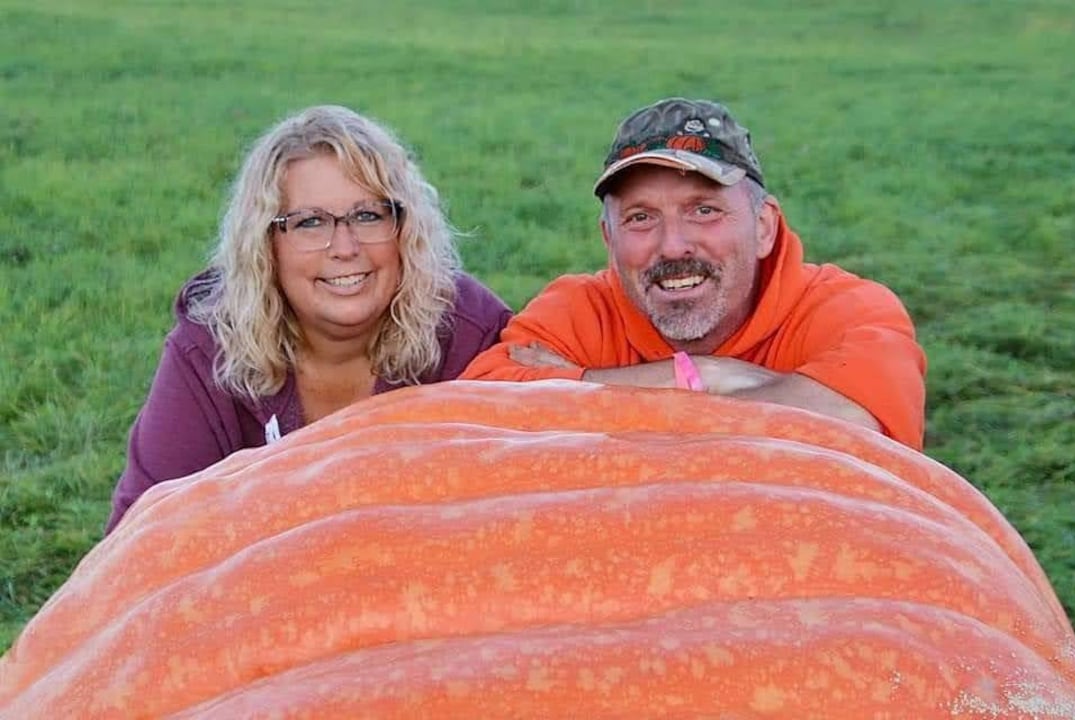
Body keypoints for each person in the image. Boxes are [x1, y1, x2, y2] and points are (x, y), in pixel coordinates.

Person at [106, 105, 512, 533]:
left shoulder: (470, 331)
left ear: (405, 231)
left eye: (368, 215)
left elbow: (525, 507)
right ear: (267, 244)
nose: (344, 246)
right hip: (254, 588)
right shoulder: (210, 346)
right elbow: (138, 536)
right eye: (310, 222)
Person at [461, 97, 926, 449]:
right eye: (641, 218)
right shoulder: (579, 309)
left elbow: (857, 424)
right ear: (609, 239)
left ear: (764, 227)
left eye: (704, 210)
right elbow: (480, 412)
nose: (673, 245)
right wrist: (703, 376)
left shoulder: (846, 309)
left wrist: (585, 389)